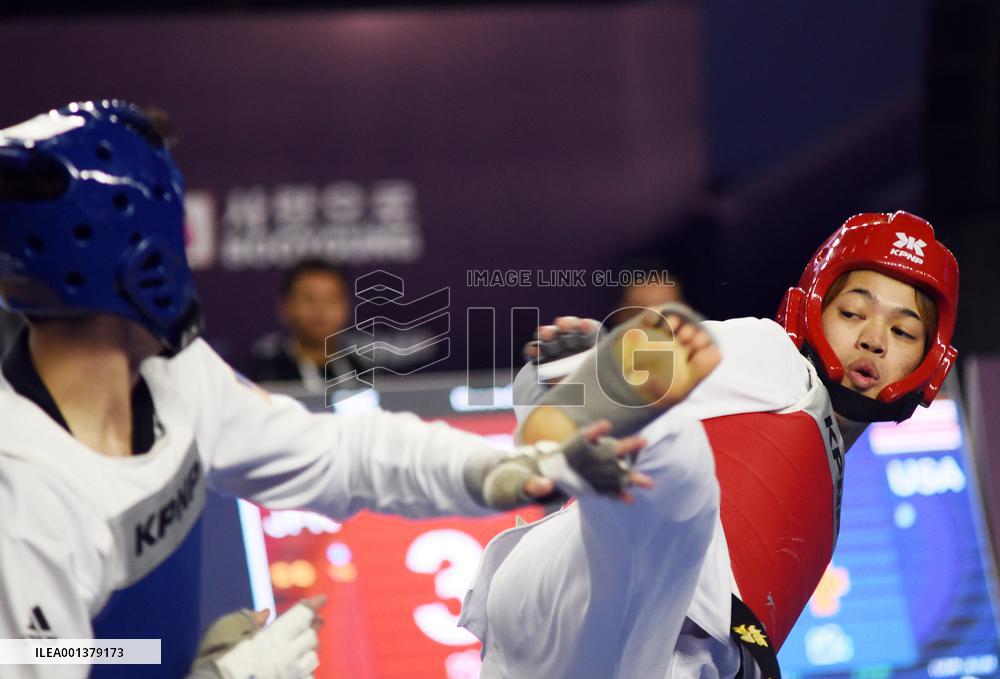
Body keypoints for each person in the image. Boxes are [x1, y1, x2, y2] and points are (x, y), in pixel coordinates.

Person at [0, 101, 647, 679]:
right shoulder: (24, 496)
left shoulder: (171, 374)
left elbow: (339, 453)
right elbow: (39, 657)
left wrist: (500, 469)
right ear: (140, 256)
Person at [459, 210, 959, 678]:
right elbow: (540, 384)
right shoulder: (772, 358)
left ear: (929, 363)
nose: (874, 339)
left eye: (903, 330)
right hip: (599, 610)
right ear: (810, 310)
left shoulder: (823, 499)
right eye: (852, 313)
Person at [246, 259, 360, 391]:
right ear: (285, 307)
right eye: (309, 299)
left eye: (331, 299)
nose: (321, 310)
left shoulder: (364, 369)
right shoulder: (265, 374)